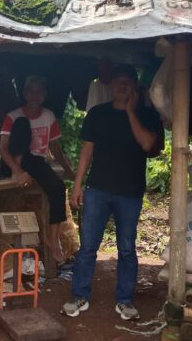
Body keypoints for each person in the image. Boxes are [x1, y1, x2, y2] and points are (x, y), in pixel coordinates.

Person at [62, 64, 162, 321]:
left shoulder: (147, 115)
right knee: (87, 247)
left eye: (127, 81)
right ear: (110, 85)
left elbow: (147, 143)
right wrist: (77, 185)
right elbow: (86, 151)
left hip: (130, 192)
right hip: (97, 189)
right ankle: (79, 295)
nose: (121, 85)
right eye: (117, 81)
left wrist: (130, 112)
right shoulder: (97, 114)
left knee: (126, 249)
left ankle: (124, 300)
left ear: (135, 87)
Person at [0, 76, 75, 263]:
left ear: (44, 95)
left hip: (35, 162)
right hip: (13, 161)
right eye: (31, 91)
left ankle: (53, 240)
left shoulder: (48, 116)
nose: (35, 96)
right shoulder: (13, 116)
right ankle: (19, 167)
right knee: (22, 123)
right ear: (25, 94)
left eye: (39, 92)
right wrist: (18, 171)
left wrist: (68, 170)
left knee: (58, 188)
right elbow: (3, 149)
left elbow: (54, 147)